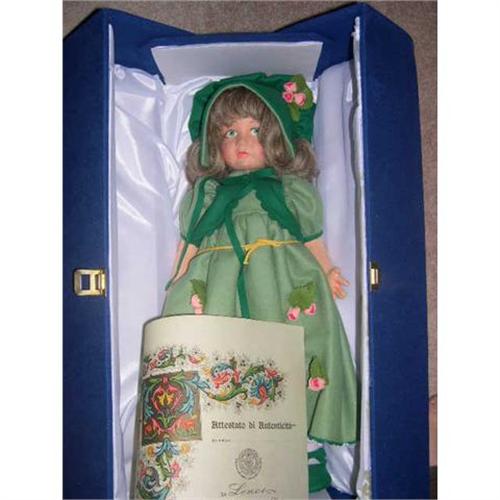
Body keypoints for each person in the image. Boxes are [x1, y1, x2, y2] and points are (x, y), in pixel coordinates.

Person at [162, 73, 359, 493]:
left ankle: (303, 453)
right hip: (221, 278)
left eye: (255, 130)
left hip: (283, 276)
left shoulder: (290, 190)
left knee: (297, 352)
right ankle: (224, 454)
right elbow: (192, 239)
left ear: (277, 139)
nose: (242, 142)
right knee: (220, 358)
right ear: (214, 145)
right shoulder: (209, 194)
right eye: (229, 132)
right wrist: (181, 273)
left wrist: (326, 268)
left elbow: (309, 235)